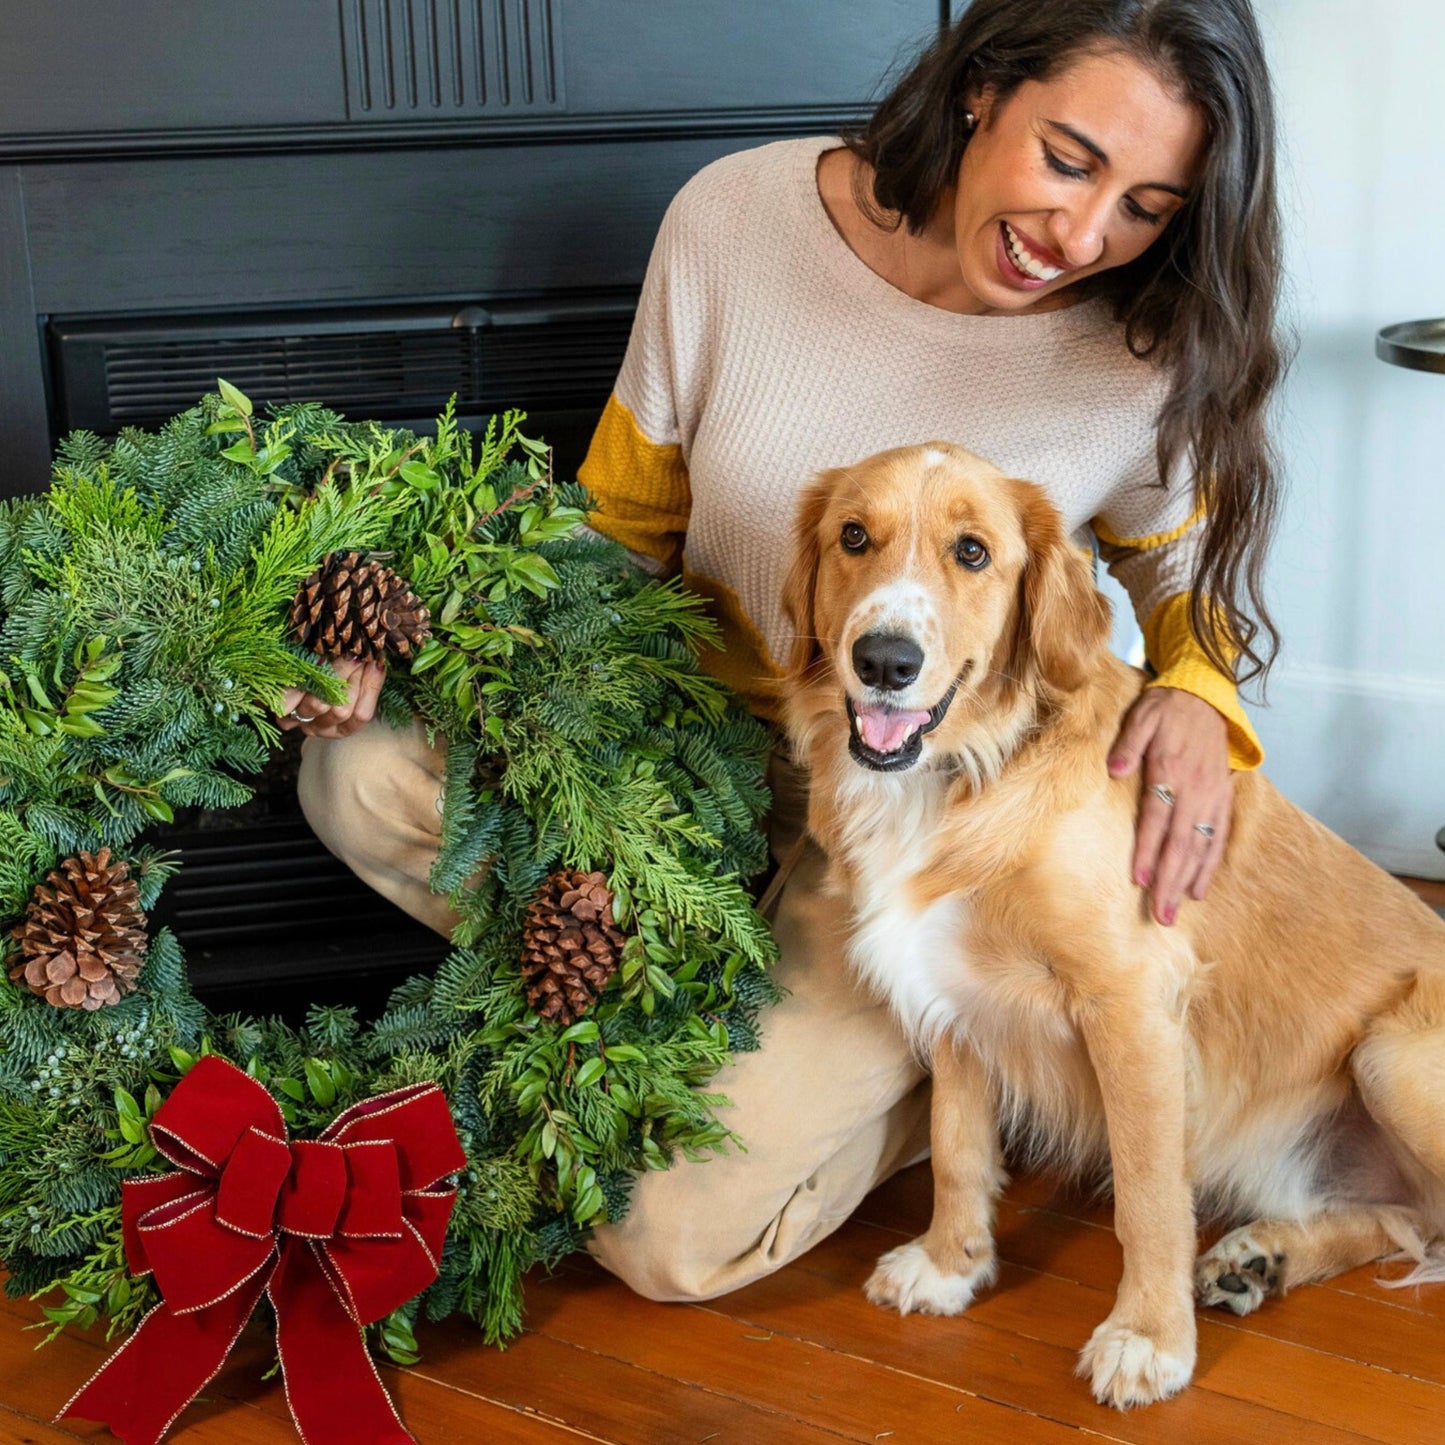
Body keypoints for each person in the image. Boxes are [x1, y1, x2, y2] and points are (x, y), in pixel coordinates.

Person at [288, 0, 1287, 1300]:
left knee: (666, 1239)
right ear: (983, 89)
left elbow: (1185, 571)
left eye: (1148, 205)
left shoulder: (1138, 344)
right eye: (1069, 158)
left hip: (931, 823)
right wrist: (430, 628)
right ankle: (715, 989)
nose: (1086, 235)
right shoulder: (733, 218)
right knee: (355, 772)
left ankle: (954, 1037)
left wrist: (1202, 695)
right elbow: (617, 522)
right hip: (683, 757)